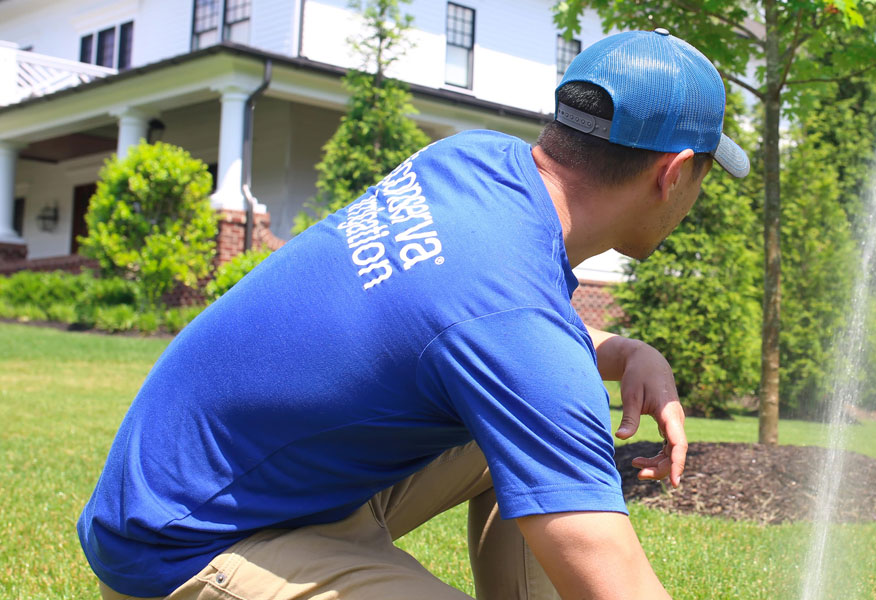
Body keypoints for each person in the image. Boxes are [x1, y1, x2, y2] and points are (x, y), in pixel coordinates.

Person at [77, 28, 750, 600]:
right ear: (671, 172)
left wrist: (621, 351)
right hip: (181, 545)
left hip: (231, 486)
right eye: (704, 177)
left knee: (522, 434)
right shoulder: (515, 325)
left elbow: (462, 322)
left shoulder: (469, 160)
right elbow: (615, 582)